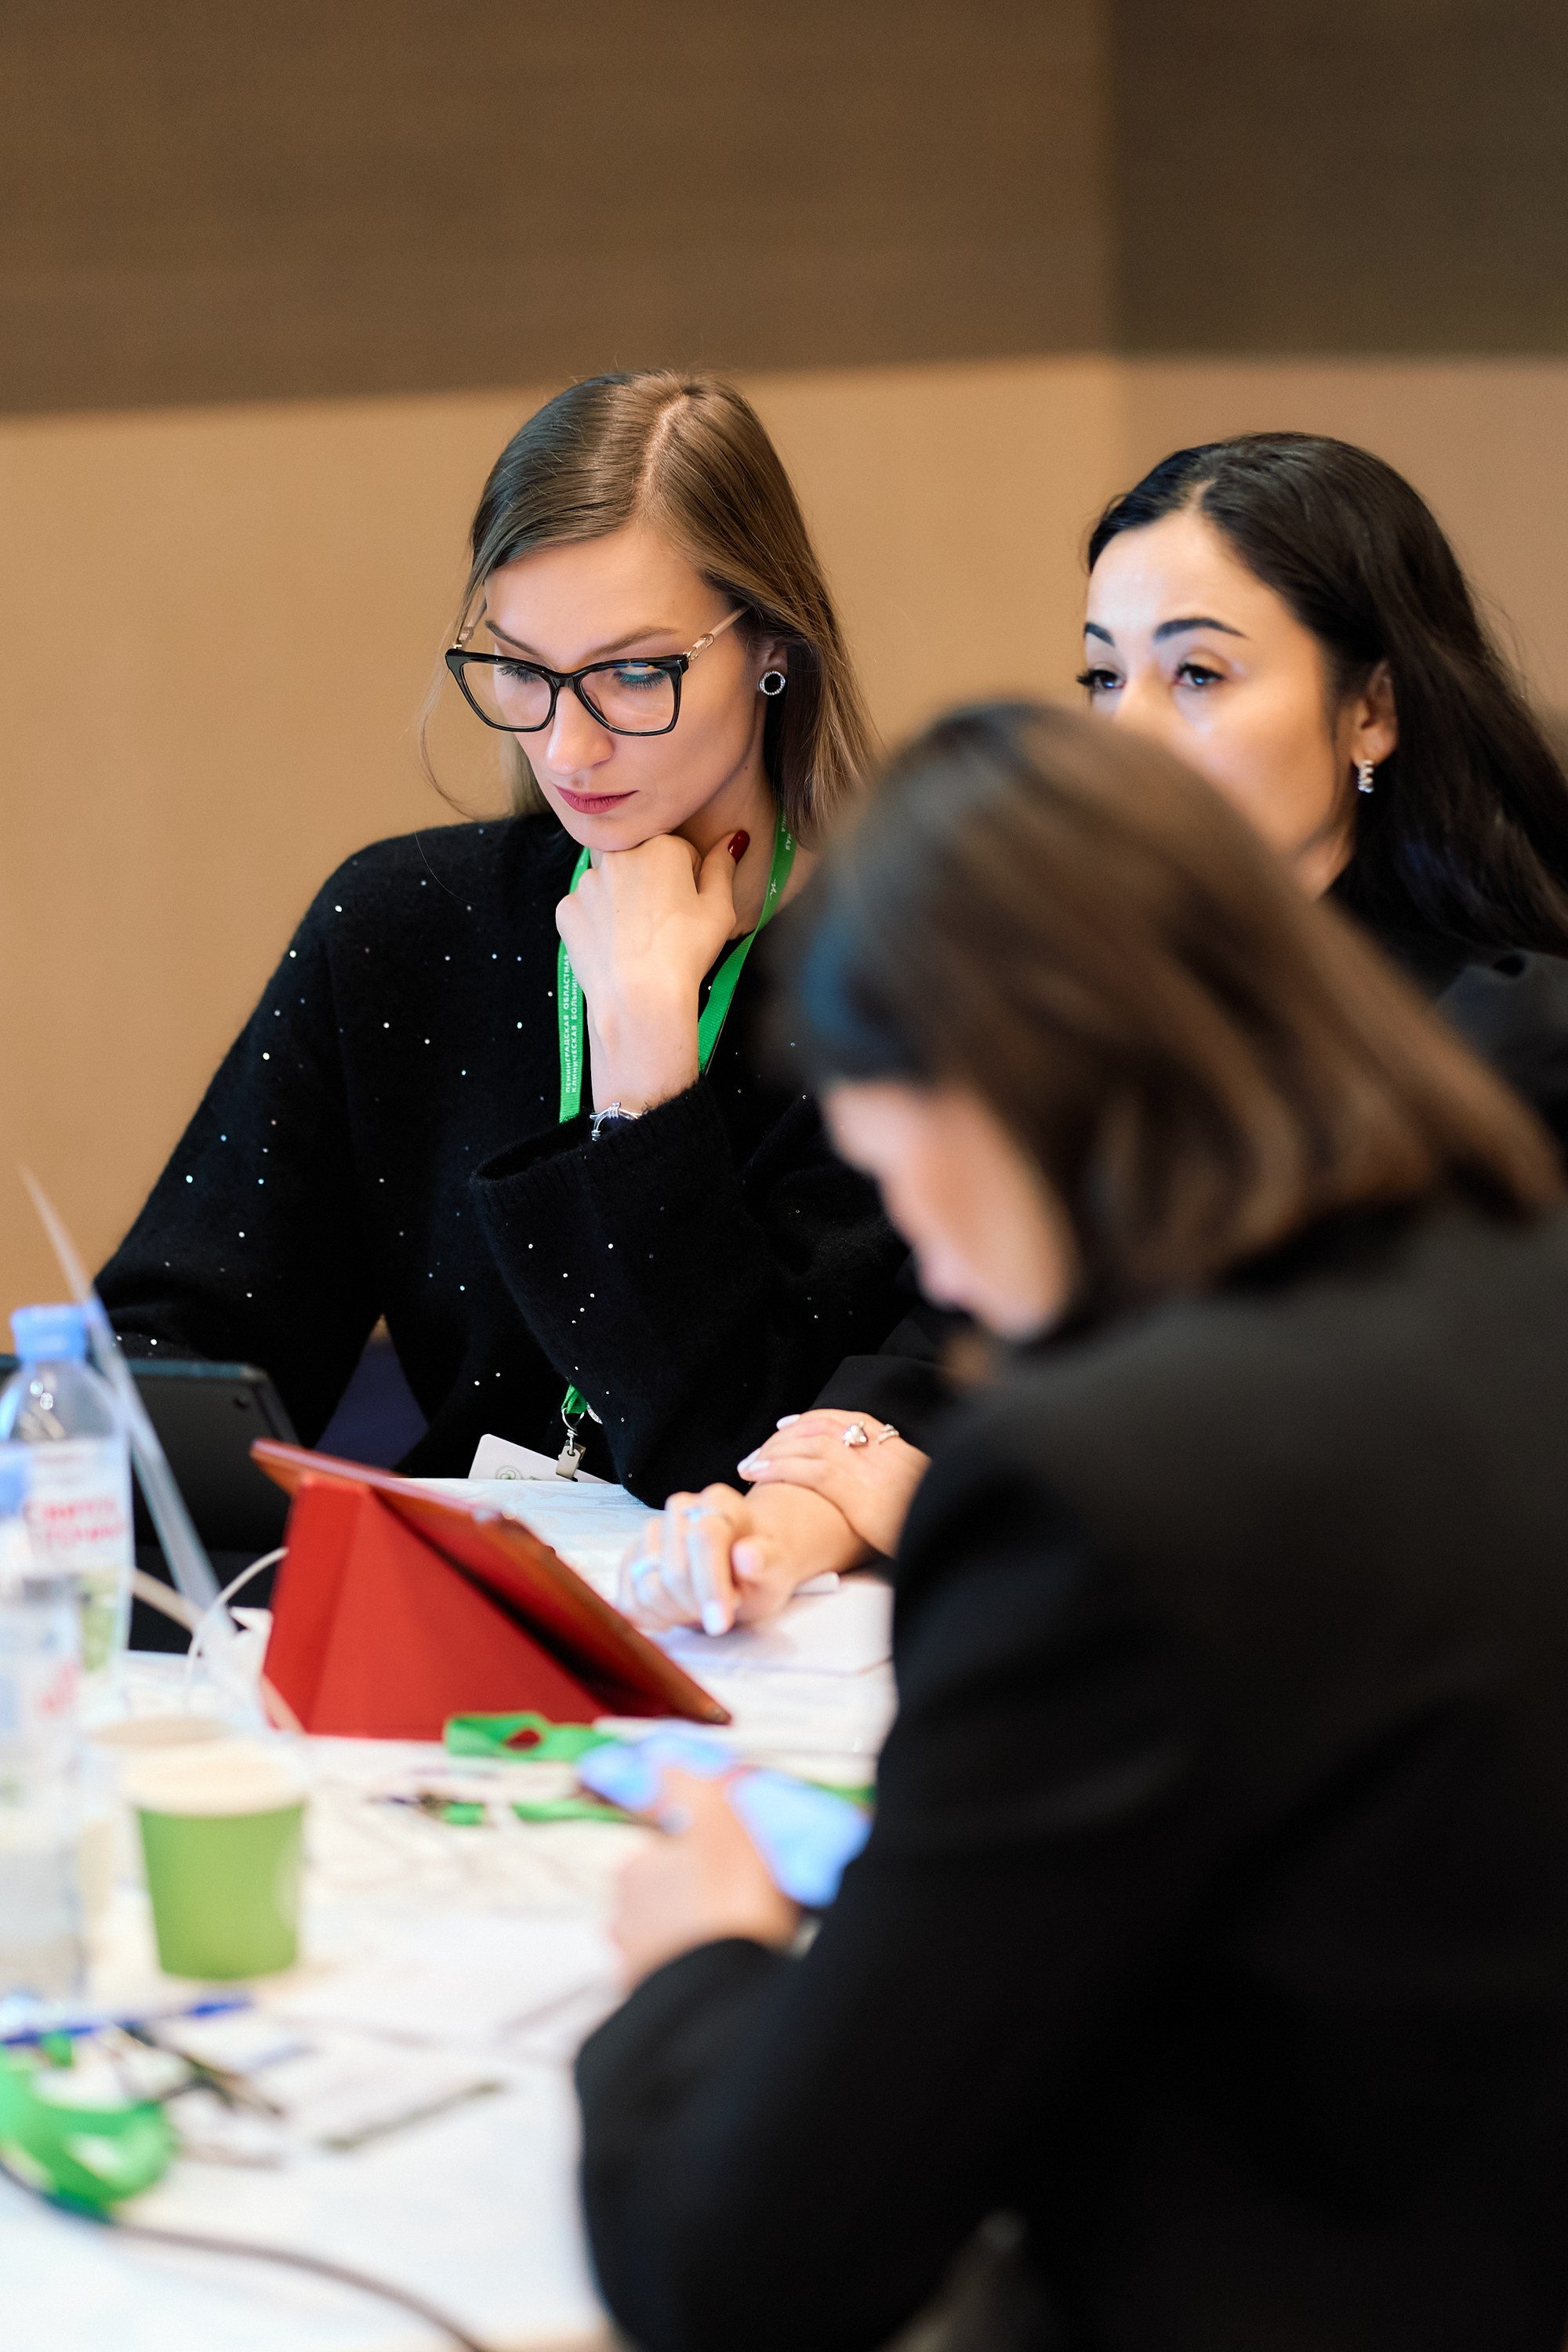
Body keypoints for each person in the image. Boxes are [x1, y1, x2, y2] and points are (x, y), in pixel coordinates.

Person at [577, 701, 1568, 2352]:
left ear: (990, 1093)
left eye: (900, 1186)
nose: (937, 1274)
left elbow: (743, 2265)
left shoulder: (1099, 1485)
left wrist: (701, 1972)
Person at [626, 430, 1568, 1621]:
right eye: (1104, 680)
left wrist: (949, 1509)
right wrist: (781, 1525)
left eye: (1200, 677)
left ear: (1372, 710)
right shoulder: (1110, 1011)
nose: (1130, 740)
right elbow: (939, 1356)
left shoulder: (1510, 1040)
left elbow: (1376, 1523)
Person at [96, 371, 907, 1499]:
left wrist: (644, 1094)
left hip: (779, 1644)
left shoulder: (913, 978)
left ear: (774, 645)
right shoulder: (403, 924)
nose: (567, 750)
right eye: (524, 672)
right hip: (467, 1612)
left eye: (633, 672)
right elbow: (176, 1346)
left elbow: (724, 1457)